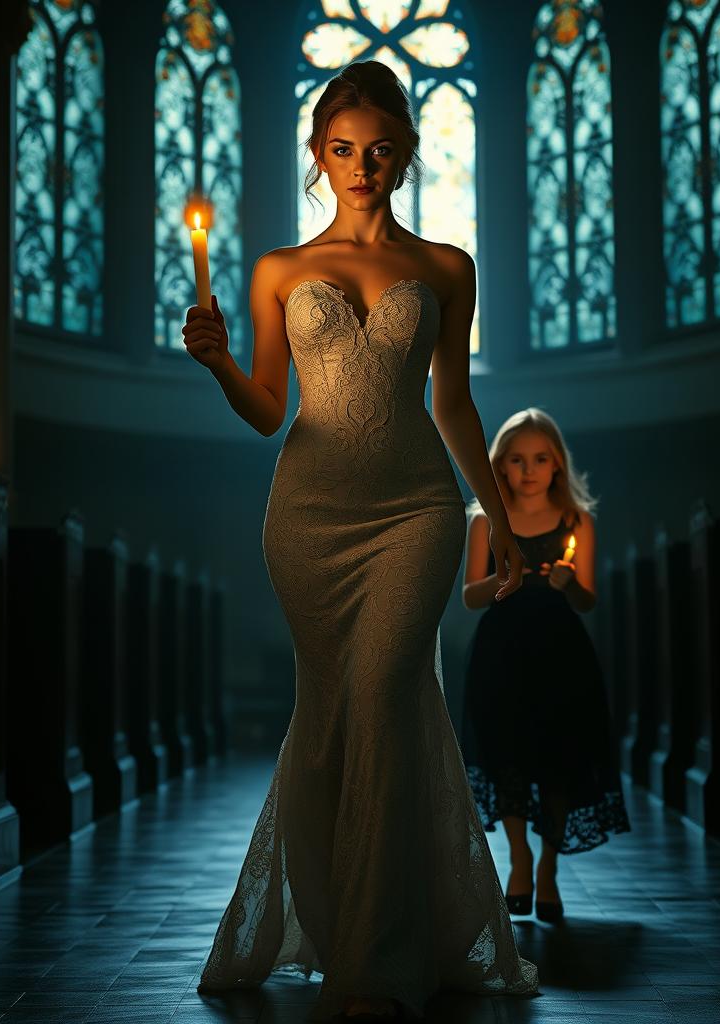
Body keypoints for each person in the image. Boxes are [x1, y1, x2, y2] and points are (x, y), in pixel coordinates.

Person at [181, 61, 538, 1021]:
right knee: (333, 716)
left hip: (417, 511)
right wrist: (220, 364)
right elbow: (266, 412)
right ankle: (342, 925)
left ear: (407, 155)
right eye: (342, 151)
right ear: (318, 156)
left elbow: (455, 408)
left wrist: (493, 523)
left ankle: (376, 960)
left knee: (382, 694)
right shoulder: (277, 272)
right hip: (306, 518)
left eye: (381, 151)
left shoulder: (445, 269)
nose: (361, 167)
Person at [460, 408, 630, 924]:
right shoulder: (486, 521)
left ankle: (550, 869)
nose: (528, 469)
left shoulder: (578, 520)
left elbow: (587, 601)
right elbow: (470, 596)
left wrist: (568, 583)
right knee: (507, 754)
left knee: (559, 758)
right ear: (500, 466)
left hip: (561, 653)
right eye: (516, 459)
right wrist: (506, 577)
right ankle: (520, 859)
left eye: (540, 459)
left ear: (557, 464)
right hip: (503, 653)